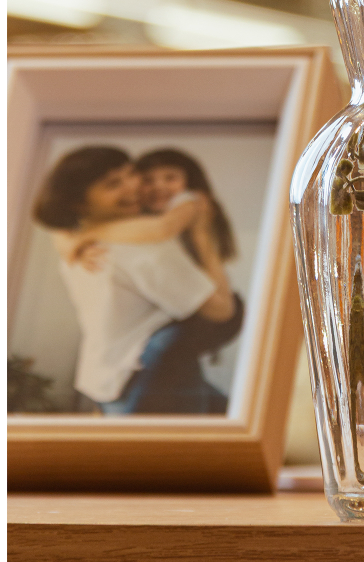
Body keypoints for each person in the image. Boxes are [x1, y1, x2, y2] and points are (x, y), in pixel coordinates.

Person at [32, 146, 242, 415]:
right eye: (113, 184)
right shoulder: (145, 247)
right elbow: (221, 310)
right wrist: (202, 234)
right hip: (150, 374)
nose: (133, 186)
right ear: (79, 203)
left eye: (131, 174)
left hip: (106, 375)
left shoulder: (78, 242)